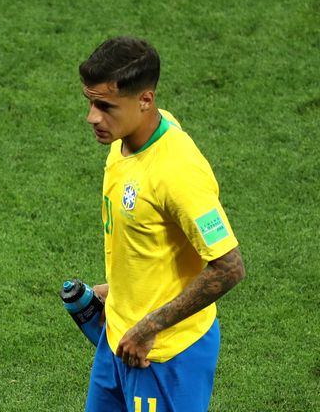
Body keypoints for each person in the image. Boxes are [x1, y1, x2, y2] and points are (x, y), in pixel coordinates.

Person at [78, 37, 246, 411]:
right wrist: (121, 289)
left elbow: (229, 267)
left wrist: (151, 325)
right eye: (90, 102)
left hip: (165, 353)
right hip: (117, 339)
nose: (92, 116)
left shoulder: (178, 172)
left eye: (105, 106)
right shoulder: (125, 138)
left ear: (145, 100)